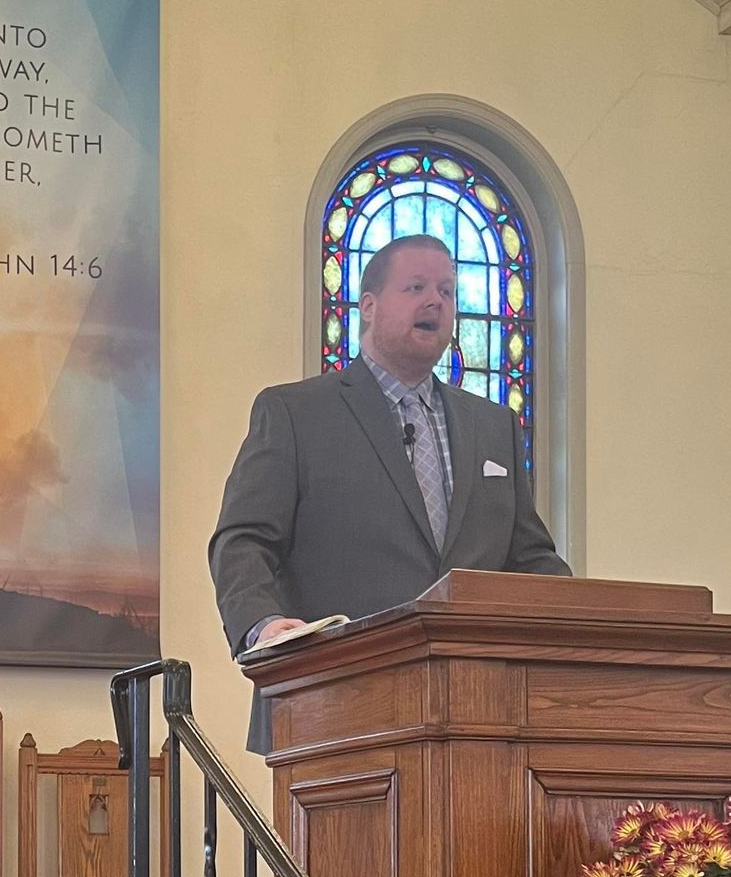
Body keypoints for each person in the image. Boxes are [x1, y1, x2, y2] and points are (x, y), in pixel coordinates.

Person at [209, 232, 569, 755]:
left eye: (447, 291)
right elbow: (241, 540)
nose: (436, 302)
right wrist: (265, 629)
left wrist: (581, 625)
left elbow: (531, 558)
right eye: (416, 287)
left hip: (480, 713)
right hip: (336, 703)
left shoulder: (494, 427)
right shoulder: (297, 414)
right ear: (370, 307)